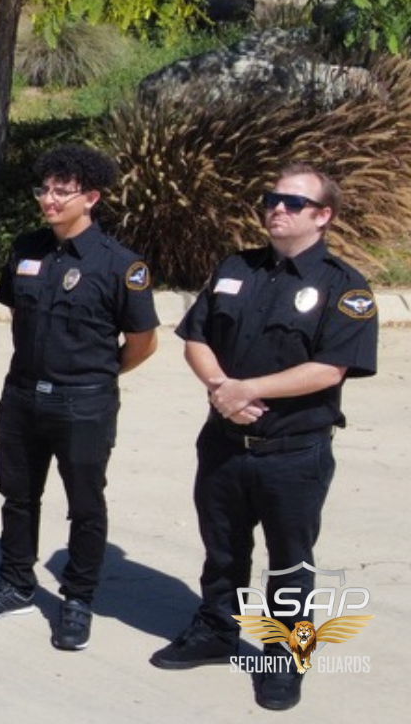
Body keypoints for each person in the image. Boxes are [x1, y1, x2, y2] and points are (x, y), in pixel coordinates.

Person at [150, 164, 377, 711]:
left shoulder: (345, 287)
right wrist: (221, 388)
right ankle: (216, 631)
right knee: (222, 550)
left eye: (294, 203)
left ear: (323, 216)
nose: (277, 208)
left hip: (294, 452)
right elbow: (196, 338)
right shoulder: (236, 268)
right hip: (225, 444)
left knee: (289, 561)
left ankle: (283, 660)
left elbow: (330, 369)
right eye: (272, 198)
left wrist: (246, 387)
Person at [0, 144, 158, 652]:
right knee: (18, 498)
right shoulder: (26, 249)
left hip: (83, 404)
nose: (48, 199)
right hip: (22, 396)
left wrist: (97, 377)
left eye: (61, 191)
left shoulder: (121, 265)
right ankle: (16, 583)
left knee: (84, 506)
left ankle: (77, 599)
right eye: (43, 189)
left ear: (90, 197)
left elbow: (142, 343)